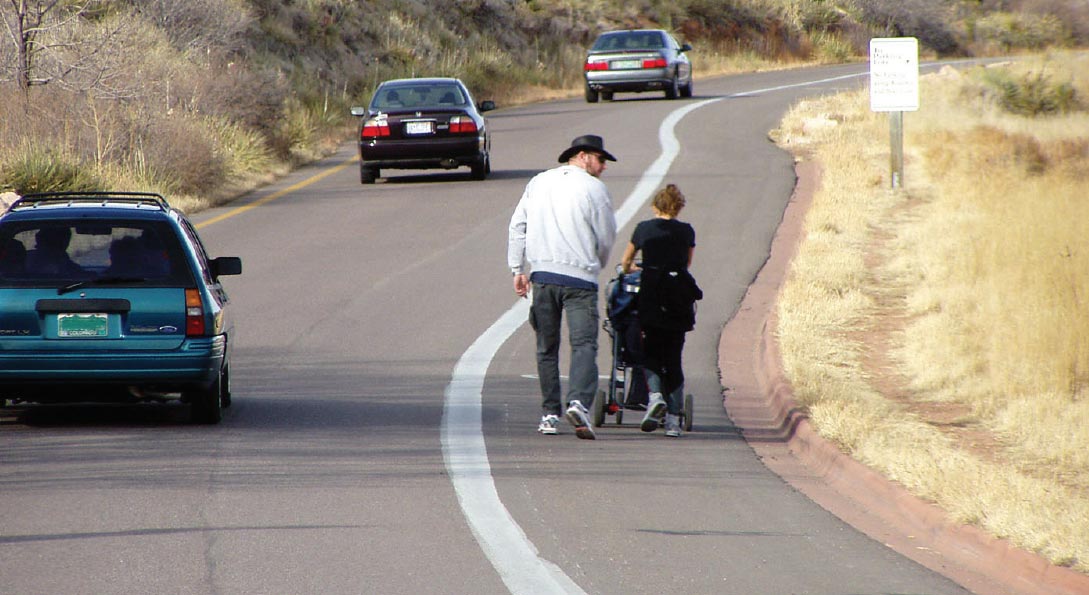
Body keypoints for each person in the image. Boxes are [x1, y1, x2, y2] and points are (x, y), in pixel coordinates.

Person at [508, 134, 618, 439]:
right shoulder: (595, 189)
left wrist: (517, 268)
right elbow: (607, 235)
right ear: (582, 156)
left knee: (546, 347)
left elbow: (518, 225)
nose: (604, 167)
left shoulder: (539, 182)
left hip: (542, 276)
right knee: (584, 345)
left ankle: (549, 413)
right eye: (601, 159)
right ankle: (579, 402)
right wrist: (597, 262)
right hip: (580, 279)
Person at [620, 184, 702, 437]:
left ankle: (655, 396)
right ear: (678, 208)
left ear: (655, 206)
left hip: (652, 294)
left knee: (651, 352)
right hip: (678, 297)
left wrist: (633, 269)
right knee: (674, 357)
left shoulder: (644, 229)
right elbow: (686, 263)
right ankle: (674, 421)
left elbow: (626, 262)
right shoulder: (687, 231)